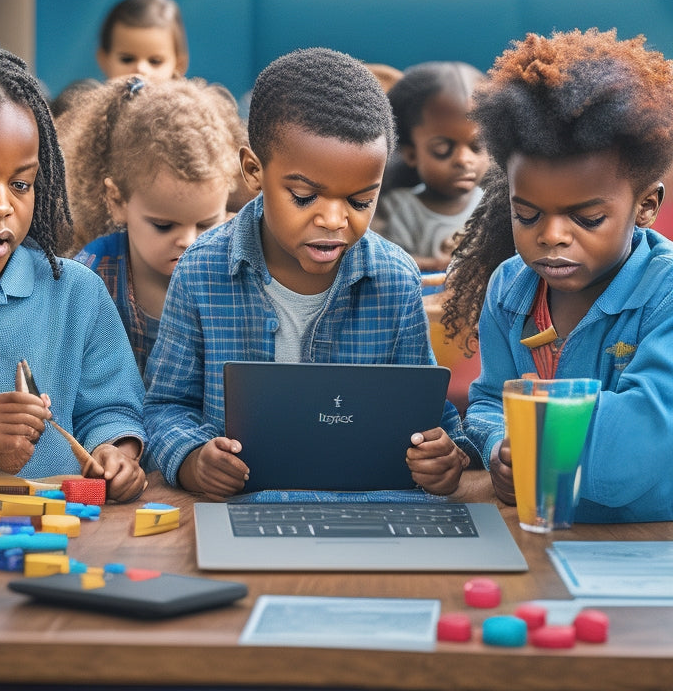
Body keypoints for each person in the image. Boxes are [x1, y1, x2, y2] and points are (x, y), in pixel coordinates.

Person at [142, 47, 477, 500]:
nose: (335, 221)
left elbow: (428, 416)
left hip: (370, 509)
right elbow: (166, 405)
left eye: (360, 201)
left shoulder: (396, 279)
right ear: (254, 171)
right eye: (304, 197)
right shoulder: (202, 269)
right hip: (240, 507)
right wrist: (190, 460)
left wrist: (443, 457)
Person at [0, 36, 146, 500]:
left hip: (67, 539)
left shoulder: (74, 292)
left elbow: (113, 407)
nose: (1, 206)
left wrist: (117, 451)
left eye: (21, 183)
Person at [450, 28, 673, 523]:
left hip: (649, 540)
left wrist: (537, 440)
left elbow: (640, 442)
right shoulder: (509, 289)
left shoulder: (666, 294)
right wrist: (501, 449)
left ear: (646, 206)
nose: (551, 236)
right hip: (539, 529)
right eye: (526, 215)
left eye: (587, 219)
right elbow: (490, 400)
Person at [58, 75, 246, 377]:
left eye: (206, 224)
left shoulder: (239, 269)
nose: (188, 240)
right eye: (163, 225)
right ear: (117, 201)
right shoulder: (91, 278)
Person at [372, 62, 491, 273]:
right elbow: (385, 266)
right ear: (411, 154)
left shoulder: (490, 205)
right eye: (443, 149)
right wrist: (437, 264)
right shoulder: (399, 209)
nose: (464, 160)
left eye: (477, 146)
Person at [96, 0, 188, 82]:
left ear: (178, 65)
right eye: (127, 59)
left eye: (155, 61)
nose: (140, 69)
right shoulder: (89, 96)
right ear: (104, 60)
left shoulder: (189, 97)